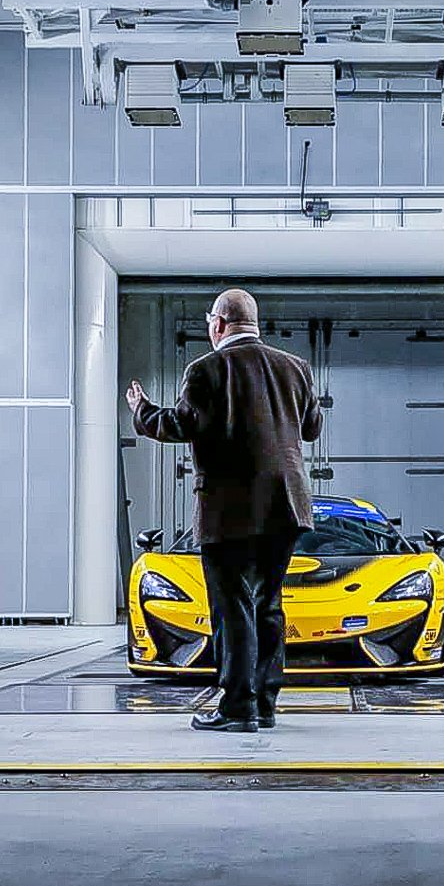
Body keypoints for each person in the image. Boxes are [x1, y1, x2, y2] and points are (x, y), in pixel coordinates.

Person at [126, 288, 322, 733]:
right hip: (287, 507)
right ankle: (265, 704)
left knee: (232, 608)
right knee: (269, 605)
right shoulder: (297, 368)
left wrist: (141, 410)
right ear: (255, 323)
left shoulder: (206, 369)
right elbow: (311, 428)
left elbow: (181, 425)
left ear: (217, 324)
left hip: (229, 511)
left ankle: (236, 708)